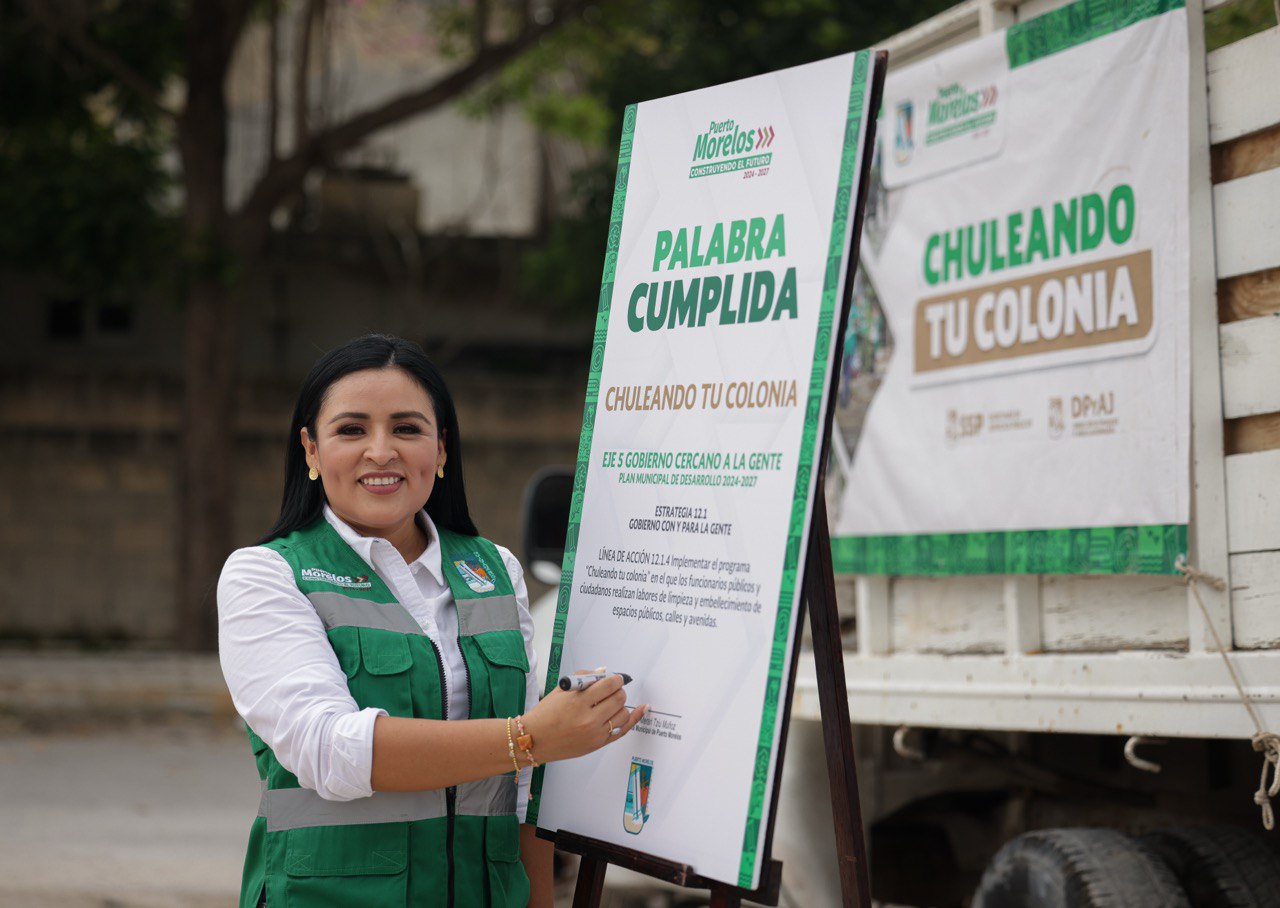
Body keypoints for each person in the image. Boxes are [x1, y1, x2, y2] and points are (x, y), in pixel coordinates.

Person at [218, 334, 647, 907]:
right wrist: (529, 737)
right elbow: (329, 748)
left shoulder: (496, 570)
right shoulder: (266, 574)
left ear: (441, 449)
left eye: (406, 428)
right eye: (351, 430)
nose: (380, 452)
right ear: (311, 451)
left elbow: (525, 790)